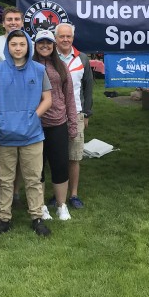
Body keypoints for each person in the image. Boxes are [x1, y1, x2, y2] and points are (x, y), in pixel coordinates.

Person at [0, 30, 53, 238]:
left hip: (32, 135)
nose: (18, 48)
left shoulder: (39, 70)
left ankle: (37, 217)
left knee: (33, 179)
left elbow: (47, 99)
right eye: (14, 44)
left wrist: (34, 117)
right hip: (4, 135)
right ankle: (3, 218)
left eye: (22, 44)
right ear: (8, 47)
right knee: (4, 179)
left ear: (28, 46)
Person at [32, 29, 78, 221]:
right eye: (41, 42)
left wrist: (72, 123)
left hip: (58, 122)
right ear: (35, 45)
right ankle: (41, 206)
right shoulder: (29, 65)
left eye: (48, 43)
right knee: (37, 167)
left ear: (54, 45)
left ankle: (61, 205)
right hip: (34, 123)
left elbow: (69, 97)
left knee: (59, 165)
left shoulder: (60, 67)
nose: (45, 46)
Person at [54, 22, 94, 210]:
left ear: (73, 38)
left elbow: (89, 88)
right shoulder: (49, 57)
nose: (65, 39)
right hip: (53, 114)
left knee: (74, 156)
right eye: (61, 36)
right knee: (55, 157)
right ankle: (57, 193)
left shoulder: (82, 59)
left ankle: (73, 194)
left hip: (76, 113)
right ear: (56, 38)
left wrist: (86, 114)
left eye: (68, 36)